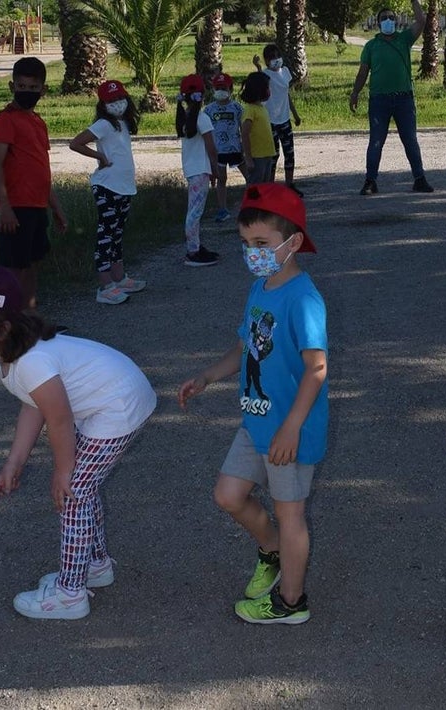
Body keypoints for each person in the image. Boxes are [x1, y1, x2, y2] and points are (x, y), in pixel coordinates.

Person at [0, 266, 156, 620]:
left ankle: (70, 595)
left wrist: (63, 472)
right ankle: (95, 565)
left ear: (2, 325)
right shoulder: (6, 351)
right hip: (109, 402)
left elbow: (60, 418)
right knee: (82, 486)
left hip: (118, 406)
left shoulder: (31, 361)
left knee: (74, 492)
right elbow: (33, 406)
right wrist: (14, 462)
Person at [178, 184, 327, 625]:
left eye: (262, 244)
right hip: (257, 421)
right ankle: (272, 550)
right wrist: (207, 375)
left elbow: (317, 369)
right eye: (247, 244)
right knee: (228, 494)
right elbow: (246, 347)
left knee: (291, 514)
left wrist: (292, 427)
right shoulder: (262, 287)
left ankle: (291, 602)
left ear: (293, 242)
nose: (252, 253)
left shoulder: (303, 299)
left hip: (288, 431)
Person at [0, 57, 68, 309]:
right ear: (12, 87)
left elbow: (40, 171)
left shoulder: (38, 122)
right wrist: (5, 207)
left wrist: (55, 207)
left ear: (43, 90)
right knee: (12, 270)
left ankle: (29, 318)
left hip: (36, 205)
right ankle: (1, 322)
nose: (27, 93)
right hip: (15, 206)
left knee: (33, 263)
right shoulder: (5, 120)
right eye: (22, 87)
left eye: (33, 88)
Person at [68, 80, 145, 306]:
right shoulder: (103, 124)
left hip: (123, 187)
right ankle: (105, 285)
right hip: (107, 187)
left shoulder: (122, 123)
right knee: (106, 234)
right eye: (111, 101)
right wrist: (99, 157)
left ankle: (119, 277)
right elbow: (76, 143)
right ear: (103, 104)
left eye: (119, 99)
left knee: (117, 234)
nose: (117, 104)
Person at [349, 0, 435, 196]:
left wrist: (414, 1)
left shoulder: (404, 39)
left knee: (410, 140)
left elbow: (421, 21)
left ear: (396, 22)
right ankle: (370, 181)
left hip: (404, 100)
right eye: (384, 18)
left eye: (391, 18)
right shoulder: (371, 46)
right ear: (378, 23)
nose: (388, 20)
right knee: (376, 141)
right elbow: (362, 73)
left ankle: (419, 179)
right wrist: (355, 92)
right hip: (379, 100)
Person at [176, 73, 222, 267]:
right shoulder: (202, 118)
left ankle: (196, 245)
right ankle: (193, 252)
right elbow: (211, 148)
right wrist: (216, 169)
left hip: (192, 169)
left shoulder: (185, 117)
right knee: (195, 213)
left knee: (194, 211)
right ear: (202, 95)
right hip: (201, 170)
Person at [253, 45, 303, 194]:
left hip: (285, 119)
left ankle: (290, 184)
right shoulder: (266, 74)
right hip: (271, 121)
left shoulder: (285, 72)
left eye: (277, 56)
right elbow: (261, 83)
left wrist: (295, 114)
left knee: (289, 153)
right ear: (267, 61)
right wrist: (258, 67)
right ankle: (270, 186)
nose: (276, 60)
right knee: (273, 155)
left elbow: (286, 94)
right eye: (271, 57)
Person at [203, 72, 246, 222]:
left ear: (231, 89)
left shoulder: (237, 108)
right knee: (221, 179)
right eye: (218, 87)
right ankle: (222, 209)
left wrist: (245, 149)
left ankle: (251, 206)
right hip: (218, 151)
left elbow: (243, 128)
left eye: (224, 87)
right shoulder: (208, 110)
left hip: (235, 149)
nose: (221, 90)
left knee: (250, 177)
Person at [240, 72, 278, 186]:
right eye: (267, 87)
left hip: (267, 154)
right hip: (257, 157)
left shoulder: (262, 108)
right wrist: (248, 158)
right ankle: (251, 204)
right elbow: (245, 133)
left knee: (265, 186)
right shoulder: (250, 110)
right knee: (255, 187)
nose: (269, 90)